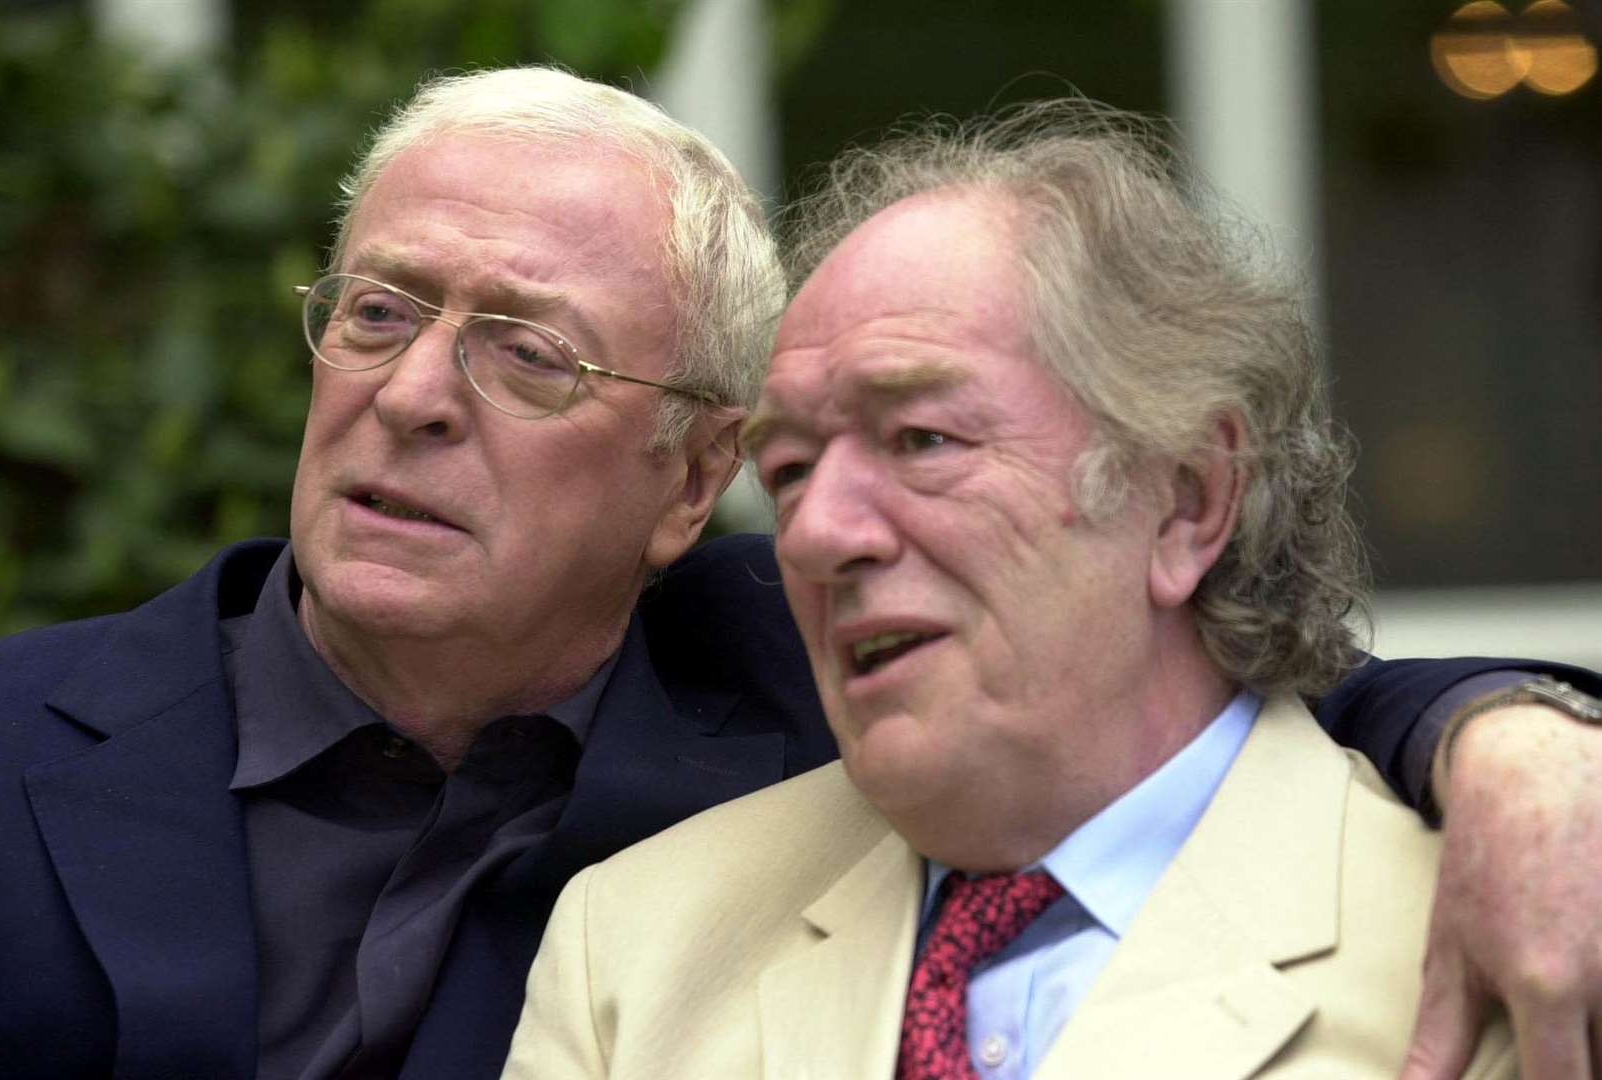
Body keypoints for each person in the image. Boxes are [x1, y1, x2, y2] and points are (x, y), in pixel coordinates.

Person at [0, 67, 1593, 1080]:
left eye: (529, 351)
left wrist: (1519, 736)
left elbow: (1205, 701)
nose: (410, 392)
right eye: (376, 312)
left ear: (684, 487)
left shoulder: (811, 681)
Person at [503, 101, 1599, 1079]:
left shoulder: (1519, 930)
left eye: (924, 438)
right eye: (787, 472)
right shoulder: (634, 948)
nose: (820, 531)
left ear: (1186, 500)